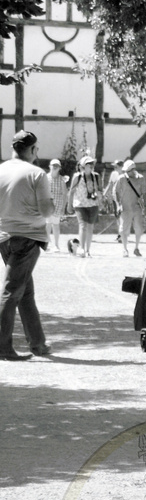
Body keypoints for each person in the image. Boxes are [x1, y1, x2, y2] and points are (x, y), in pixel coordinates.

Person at [0, 132, 53, 359]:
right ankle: (2, 347)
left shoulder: (1, 170)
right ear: (31, 150)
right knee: (11, 293)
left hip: (4, 237)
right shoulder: (37, 174)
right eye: (36, 149)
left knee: (25, 292)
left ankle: (38, 343)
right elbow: (46, 210)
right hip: (27, 237)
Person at [108, 160, 146, 257]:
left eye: (128, 171)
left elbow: (144, 193)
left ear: (133, 170)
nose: (126, 173)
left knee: (139, 228)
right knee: (124, 229)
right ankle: (125, 249)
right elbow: (115, 192)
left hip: (137, 206)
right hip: (125, 207)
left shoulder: (141, 178)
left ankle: (136, 248)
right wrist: (118, 205)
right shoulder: (121, 178)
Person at [67, 158, 104, 258]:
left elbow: (100, 190)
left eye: (92, 163)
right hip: (80, 205)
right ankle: (82, 249)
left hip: (93, 204)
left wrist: (101, 202)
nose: (91, 165)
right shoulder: (77, 176)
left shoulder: (96, 176)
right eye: (88, 164)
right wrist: (69, 205)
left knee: (90, 227)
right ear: (83, 165)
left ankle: (88, 250)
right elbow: (71, 192)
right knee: (83, 226)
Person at [45, 159, 66, 252]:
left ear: (59, 168)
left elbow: (65, 193)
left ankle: (56, 245)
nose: (54, 168)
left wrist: (63, 207)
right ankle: (46, 244)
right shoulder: (45, 178)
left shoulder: (61, 179)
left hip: (58, 204)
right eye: (53, 166)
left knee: (56, 225)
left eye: (56, 166)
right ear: (49, 166)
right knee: (47, 224)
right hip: (47, 204)